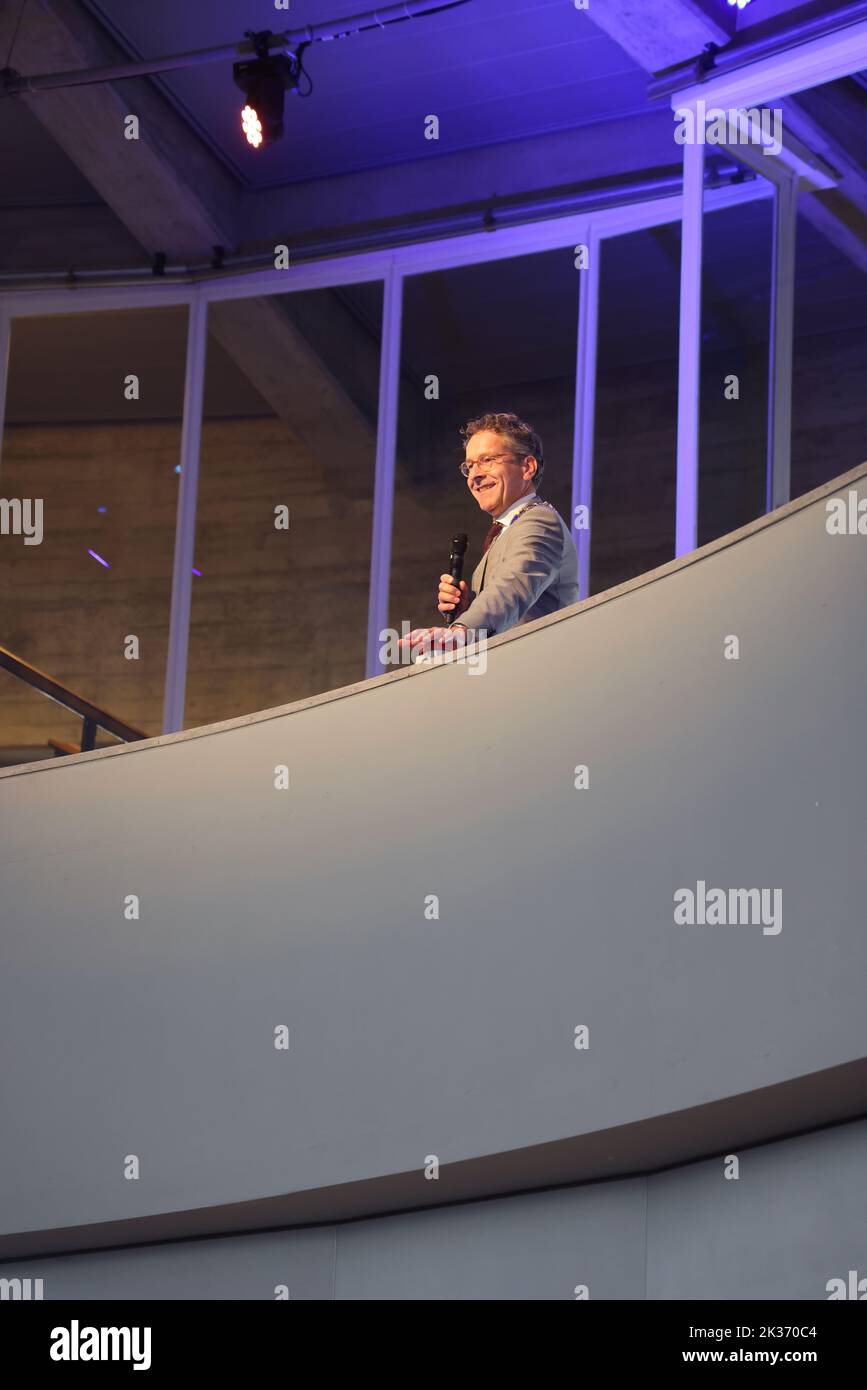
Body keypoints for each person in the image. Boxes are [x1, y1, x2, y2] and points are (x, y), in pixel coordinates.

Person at [399, 412, 579, 657]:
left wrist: (462, 629)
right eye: (469, 466)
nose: (475, 475)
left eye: (488, 460)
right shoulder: (506, 531)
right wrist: (467, 610)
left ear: (527, 467)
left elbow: (512, 587)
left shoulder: (539, 520)